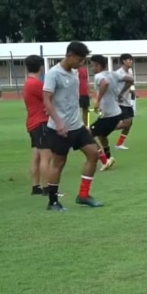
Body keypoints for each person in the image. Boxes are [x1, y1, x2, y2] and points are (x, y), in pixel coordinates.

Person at [42, 41, 104, 211]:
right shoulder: (53, 74)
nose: (81, 63)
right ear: (69, 55)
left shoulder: (75, 72)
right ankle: (53, 202)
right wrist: (59, 122)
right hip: (59, 128)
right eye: (79, 59)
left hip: (77, 126)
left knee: (93, 154)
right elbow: (46, 99)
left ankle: (83, 195)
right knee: (59, 163)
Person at [89, 55, 132, 171]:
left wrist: (98, 101)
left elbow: (105, 83)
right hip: (116, 113)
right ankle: (108, 158)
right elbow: (130, 80)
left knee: (87, 134)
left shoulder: (99, 76)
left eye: (92, 65)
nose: (91, 68)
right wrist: (121, 93)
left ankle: (104, 160)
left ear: (98, 65)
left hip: (108, 115)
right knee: (102, 136)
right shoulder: (113, 74)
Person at [23, 55, 50, 196]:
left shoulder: (28, 82)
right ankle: (47, 188)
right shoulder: (37, 84)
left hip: (33, 122)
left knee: (36, 156)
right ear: (41, 67)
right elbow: (51, 98)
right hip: (41, 122)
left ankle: (36, 187)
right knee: (46, 156)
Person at [114, 54, 136, 150]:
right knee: (126, 122)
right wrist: (119, 95)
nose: (130, 61)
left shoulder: (130, 71)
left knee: (129, 123)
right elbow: (114, 86)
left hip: (127, 101)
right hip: (120, 102)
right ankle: (104, 129)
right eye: (128, 60)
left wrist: (132, 92)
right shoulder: (119, 73)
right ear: (123, 61)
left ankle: (119, 144)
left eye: (131, 60)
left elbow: (128, 84)